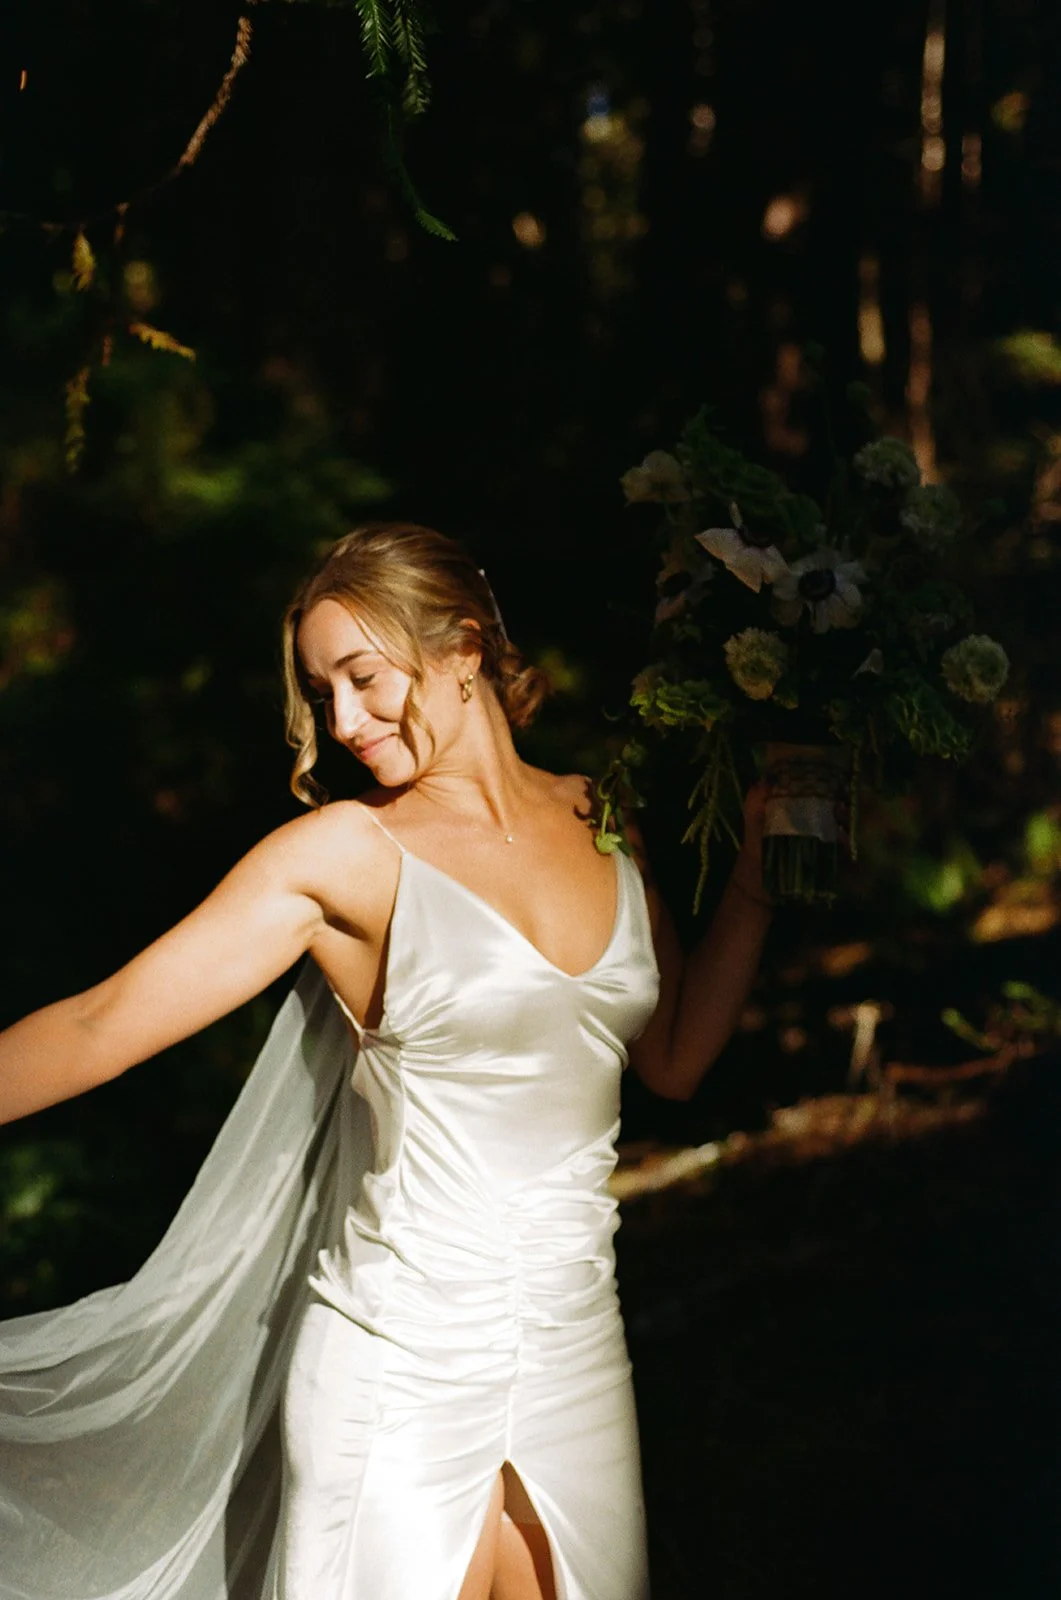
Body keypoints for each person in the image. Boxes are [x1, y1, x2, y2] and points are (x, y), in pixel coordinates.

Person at [0, 523, 774, 1600]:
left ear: (464, 648)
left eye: (361, 679)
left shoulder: (603, 815)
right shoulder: (341, 857)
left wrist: (753, 880)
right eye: (323, 696)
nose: (343, 724)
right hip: (395, 1365)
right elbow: (100, 1023)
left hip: (577, 1353)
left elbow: (677, 1059)